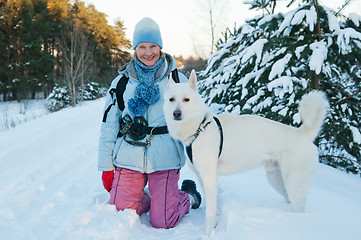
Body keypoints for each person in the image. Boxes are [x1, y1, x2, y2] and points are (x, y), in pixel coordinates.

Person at [98, 17, 201, 229]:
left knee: (162, 220)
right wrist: (106, 167)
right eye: (142, 47)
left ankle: (187, 196)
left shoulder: (177, 80)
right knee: (122, 211)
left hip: (164, 157)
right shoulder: (122, 82)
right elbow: (109, 126)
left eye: (153, 46)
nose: (148, 53)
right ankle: (146, 197)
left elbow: (195, 119)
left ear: (160, 47)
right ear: (135, 49)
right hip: (129, 156)